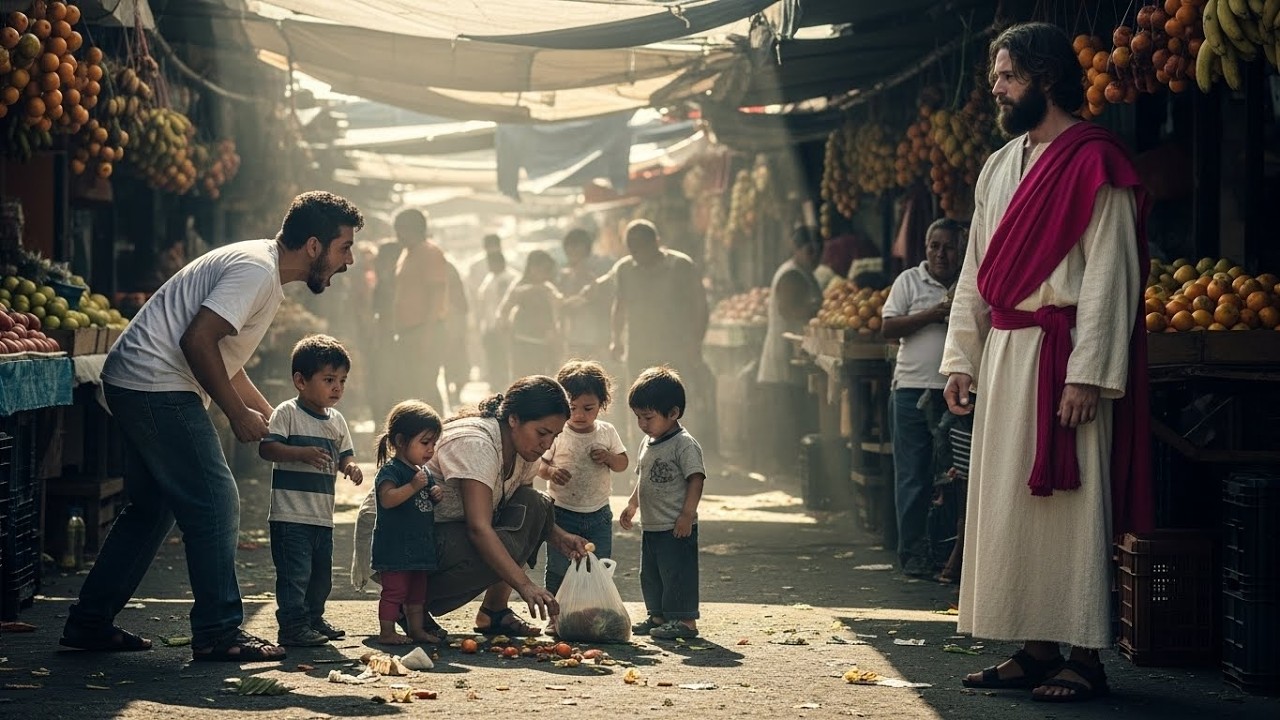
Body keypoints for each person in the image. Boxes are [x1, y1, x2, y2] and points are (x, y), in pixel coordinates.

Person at [941, 23, 1151, 703]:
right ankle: (1034, 648)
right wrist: (960, 358)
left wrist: (1088, 372)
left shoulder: (1098, 160)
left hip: (1064, 360)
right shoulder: (999, 164)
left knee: (1073, 506)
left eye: (1007, 76)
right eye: (997, 76)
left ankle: (1085, 655)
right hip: (1005, 357)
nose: (996, 88)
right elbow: (975, 271)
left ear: (1046, 78)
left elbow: (1110, 277)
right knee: (1009, 505)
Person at [61, 191, 363, 662]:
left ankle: (89, 623)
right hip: (154, 383)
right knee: (217, 501)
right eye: (344, 248)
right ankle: (219, 632)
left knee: (151, 511)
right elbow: (196, 339)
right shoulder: (256, 271)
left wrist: (271, 416)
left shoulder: (263, 272)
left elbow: (222, 354)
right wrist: (235, 414)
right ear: (312, 245)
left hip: (140, 380)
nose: (349, 261)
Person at [353, 376, 591, 637]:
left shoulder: (526, 450)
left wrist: (559, 537)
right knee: (494, 538)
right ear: (513, 419)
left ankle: (494, 612)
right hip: (395, 540)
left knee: (536, 504)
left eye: (554, 436)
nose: (547, 445)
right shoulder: (477, 444)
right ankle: (405, 602)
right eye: (542, 433)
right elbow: (479, 529)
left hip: (435, 532)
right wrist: (526, 586)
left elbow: (527, 511)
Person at [258, 334, 363, 647]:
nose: (337, 388)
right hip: (290, 515)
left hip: (321, 516)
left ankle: (313, 619)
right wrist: (300, 453)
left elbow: (345, 454)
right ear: (300, 381)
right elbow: (268, 449)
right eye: (329, 379)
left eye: (342, 380)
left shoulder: (337, 421)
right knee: (295, 576)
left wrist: (351, 467)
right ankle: (291, 627)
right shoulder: (287, 413)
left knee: (321, 578)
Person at [880, 218, 964, 577]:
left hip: (958, 393)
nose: (940, 254)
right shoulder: (909, 281)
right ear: (925, 248)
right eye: (934, 246)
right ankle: (912, 554)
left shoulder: (970, 283)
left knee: (955, 476)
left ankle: (949, 556)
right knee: (913, 476)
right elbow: (887, 326)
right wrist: (933, 314)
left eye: (948, 246)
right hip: (912, 391)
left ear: (961, 249)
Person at [537, 360, 628, 631]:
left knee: (597, 567)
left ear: (602, 404)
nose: (578, 415)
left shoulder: (606, 431)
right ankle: (556, 617)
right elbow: (539, 466)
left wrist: (610, 457)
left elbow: (623, 463)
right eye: (572, 408)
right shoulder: (557, 433)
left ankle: (592, 615)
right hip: (562, 512)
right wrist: (552, 472)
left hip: (598, 513)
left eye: (587, 409)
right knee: (558, 568)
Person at [604, 220, 712, 449]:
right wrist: (616, 339)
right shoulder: (624, 268)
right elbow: (619, 305)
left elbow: (700, 306)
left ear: (656, 242)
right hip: (639, 348)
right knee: (639, 403)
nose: (636, 253)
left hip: (675, 348)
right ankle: (643, 456)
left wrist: (696, 343)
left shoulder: (680, 265)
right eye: (631, 248)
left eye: (641, 246)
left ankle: (683, 453)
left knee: (675, 402)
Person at [619, 366, 707, 641]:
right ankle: (657, 615)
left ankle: (685, 621)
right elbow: (642, 478)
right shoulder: (648, 442)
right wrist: (632, 505)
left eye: (648, 417)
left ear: (673, 413)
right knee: (652, 574)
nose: (642, 424)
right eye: (638, 417)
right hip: (652, 524)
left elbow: (696, 479)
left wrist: (686, 515)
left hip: (675, 525)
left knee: (677, 574)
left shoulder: (684, 444)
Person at [370, 400, 446, 645]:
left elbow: (424, 501)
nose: (430, 450)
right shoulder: (391, 471)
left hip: (420, 547)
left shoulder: (423, 472)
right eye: (425, 443)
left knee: (417, 595)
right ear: (401, 441)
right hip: (395, 547)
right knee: (394, 592)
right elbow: (388, 499)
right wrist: (414, 486)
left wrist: (435, 494)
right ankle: (387, 631)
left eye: (433, 444)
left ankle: (416, 629)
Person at [756, 226, 823, 472]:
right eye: (809, 250)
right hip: (783, 357)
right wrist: (818, 311)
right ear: (796, 248)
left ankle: (788, 467)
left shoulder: (805, 272)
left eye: (819, 250)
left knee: (792, 416)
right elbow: (790, 310)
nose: (815, 255)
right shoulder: (791, 275)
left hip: (794, 357)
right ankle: (782, 468)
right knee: (786, 418)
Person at [391, 209, 450, 412]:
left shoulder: (429, 252)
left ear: (413, 230)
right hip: (409, 331)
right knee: (414, 387)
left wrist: (428, 334)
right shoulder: (407, 253)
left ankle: (440, 433)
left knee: (425, 387)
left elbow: (436, 295)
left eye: (400, 230)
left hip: (425, 329)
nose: (397, 236)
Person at [499, 250, 562, 380]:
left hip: (543, 343)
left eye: (548, 270)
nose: (545, 273)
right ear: (532, 268)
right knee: (523, 379)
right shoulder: (519, 287)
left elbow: (559, 306)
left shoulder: (547, 288)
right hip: (522, 341)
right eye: (542, 269)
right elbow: (504, 309)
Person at [557, 228, 615, 362]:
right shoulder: (566, 273)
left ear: (585, 247)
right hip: (576, 336)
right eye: (569, 247)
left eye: (576, 247)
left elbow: (606, 298)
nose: (571, 251)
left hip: (597, 335)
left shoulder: (600, 267)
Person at [477, 250, 517, 386]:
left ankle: (505, 385)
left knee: (505, 358)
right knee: (493, 358)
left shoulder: (509, 278)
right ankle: (495, 384)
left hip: (503, 325)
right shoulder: (489, 278)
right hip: (489, 325)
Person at [442, 257, 471, 410]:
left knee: (456, 360)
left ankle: (456, 391)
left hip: (454, 323)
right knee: (448, 361)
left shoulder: (448, 268)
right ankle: (449, 392)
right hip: (444, 325)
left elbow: (462, 304)